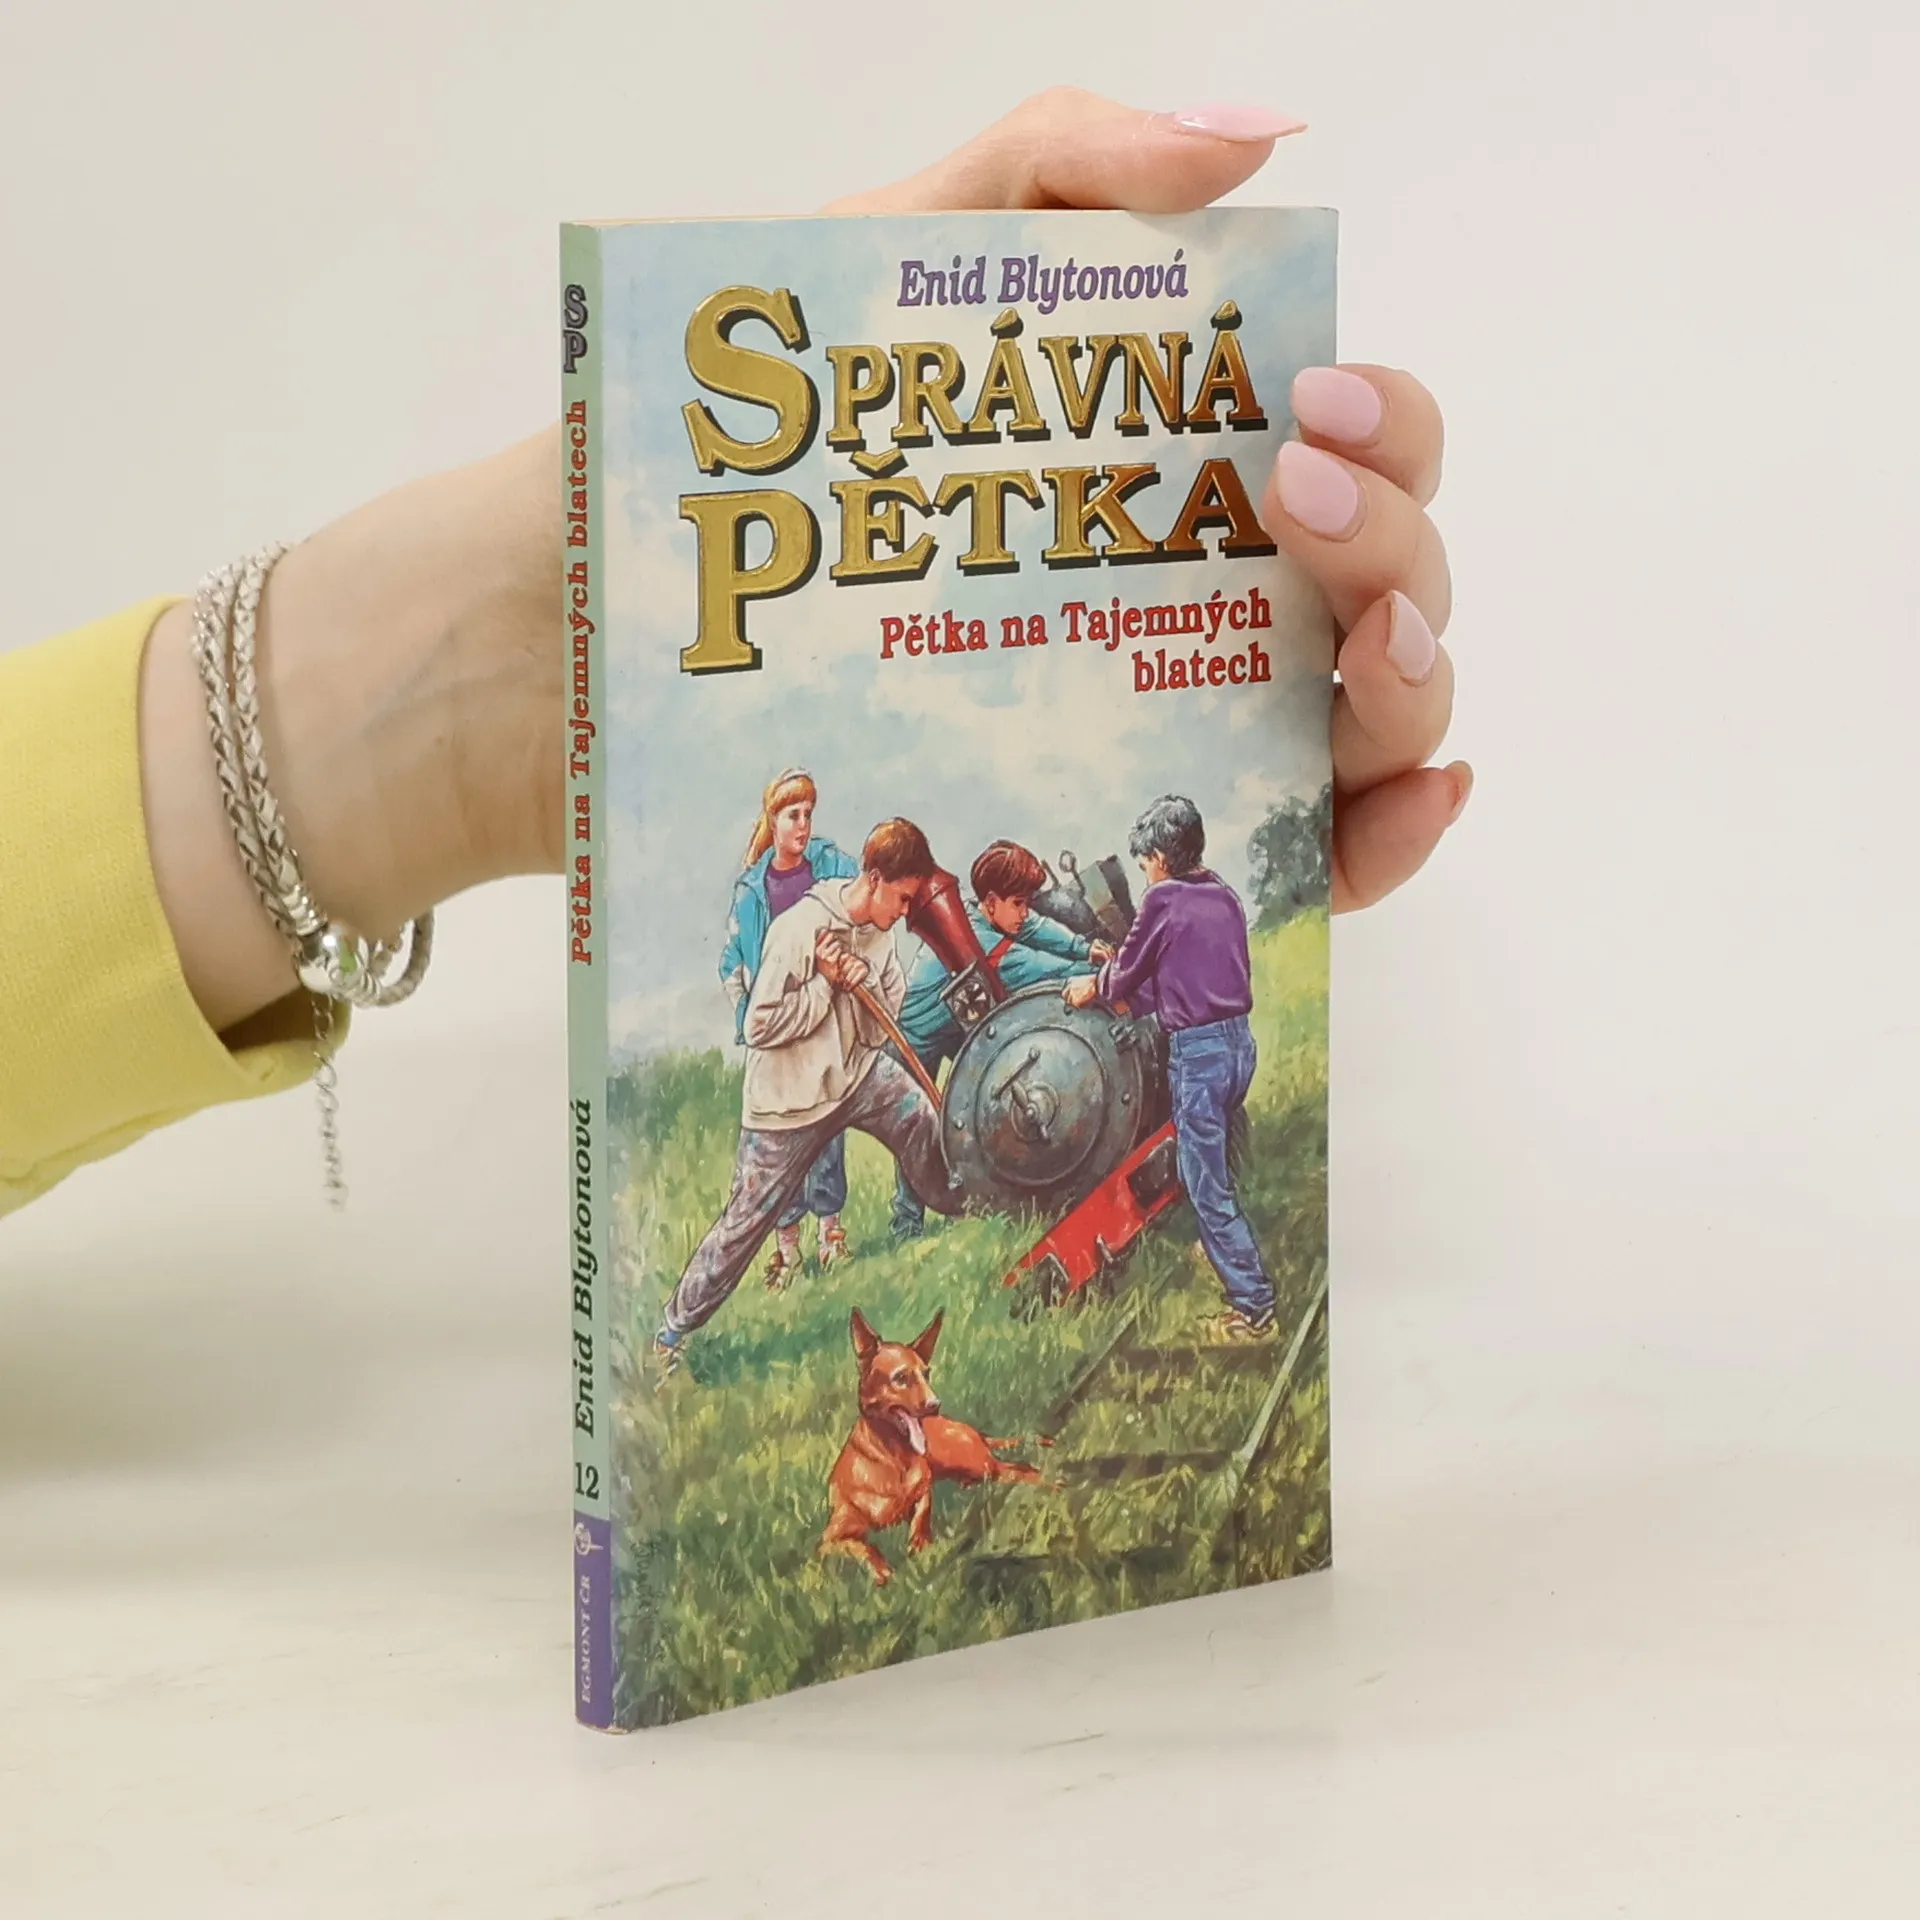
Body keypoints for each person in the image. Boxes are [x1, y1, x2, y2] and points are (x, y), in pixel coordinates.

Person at [0, 89, 1468, 1221]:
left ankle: (948, 1194)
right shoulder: (829, 909)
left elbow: (1033, 956)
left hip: (961, 1036)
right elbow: (850, 975)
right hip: (848, 1056)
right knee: (858, 1129)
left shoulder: (919, 904)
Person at [654, 820, 961, 1371]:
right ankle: (671, 1334)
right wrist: (824, 985)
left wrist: (864, 982)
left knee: (922, 1121)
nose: (905, 911)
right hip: (788, 1104)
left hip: (856, 1077)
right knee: (745, 1220)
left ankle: (973, 1209)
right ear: (873, 879)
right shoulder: (799, 930)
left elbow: (880, 1030)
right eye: (902, 898)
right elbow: (760, 1025)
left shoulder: (881, 933)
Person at [1064, 796, 1276, 1341]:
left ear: (1160, 857)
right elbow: (1186, 970)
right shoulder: (1222, 894)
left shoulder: (1162, 899)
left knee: (1207, 1186)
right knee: (1210, 1168)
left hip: (1200, 1055)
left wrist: (1095, 986)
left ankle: (1254, 1308)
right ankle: (1225, 1254)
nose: (1146, 873)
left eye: (1145, 863)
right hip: (1238, 1047)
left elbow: (1127, 974)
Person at [888, 839, 1113, 1242]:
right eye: (1018, 904)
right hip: (918, 1033)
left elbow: (1036, 928)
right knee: (918, 1127)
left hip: (956, 1020)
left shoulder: (990, 914)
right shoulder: (976, 938)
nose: (1025, 913)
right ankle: (907, 1224)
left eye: (1027, 902)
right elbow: (1036, 968)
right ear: (991, 903)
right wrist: (1097, 973)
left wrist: (1083, 948)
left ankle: (985, 1194)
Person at [720, 770, 861, 1284]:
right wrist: (748, 1016)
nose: (803, 825)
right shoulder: (752, 891)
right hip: (780, 1028)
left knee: (827, 1125)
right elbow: (732, 961)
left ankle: (831, 1237)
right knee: (781, 1138)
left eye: (808, 815)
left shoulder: (830, 866)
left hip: (823, 1016)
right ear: (772, 821)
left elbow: (862, 899)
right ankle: (787, 1250)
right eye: (792, 815)